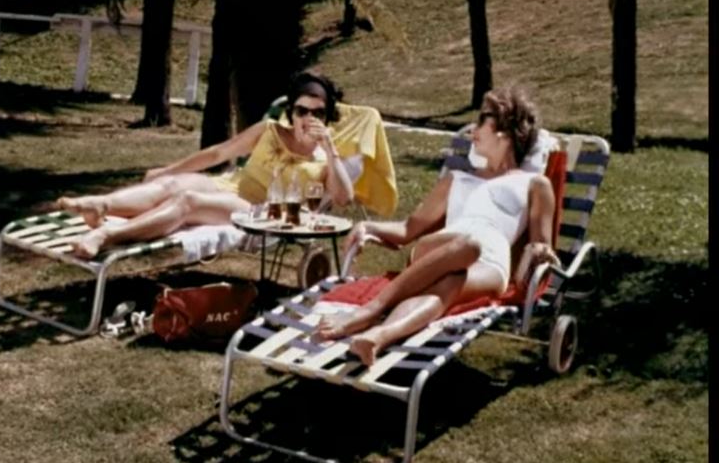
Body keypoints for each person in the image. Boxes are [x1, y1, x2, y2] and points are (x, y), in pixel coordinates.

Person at [314, 86, 561, 366]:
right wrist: (368, 227)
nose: (472, 130)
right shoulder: (456, 179)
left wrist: (539, 251)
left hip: (492, 265)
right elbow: (409, 229)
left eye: (482, 120)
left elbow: (540, 244)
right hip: (440, 248)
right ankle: (371, 311)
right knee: (468, 245)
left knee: (453, 280)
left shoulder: (535, 184)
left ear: (504, 129)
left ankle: (377, 337)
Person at [57, 72, 356, 258]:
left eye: (317, 112)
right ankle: (101, 205)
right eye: (302, 110)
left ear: (327, 116)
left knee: (187, 201)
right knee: (173, 184)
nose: (308, 118)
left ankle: (105, 236)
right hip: (231, 185)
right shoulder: (269, 131)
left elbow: (343, 198)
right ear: (291, 111)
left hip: (259, 211)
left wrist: (329, 149)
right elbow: (217, 154)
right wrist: (168, 170)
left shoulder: (325, 157)